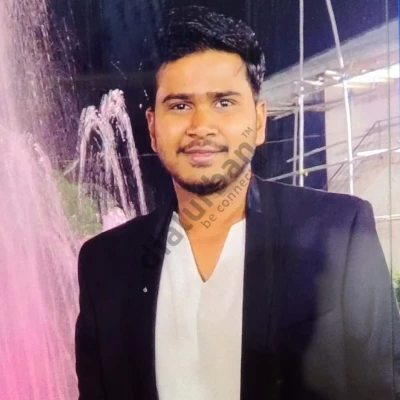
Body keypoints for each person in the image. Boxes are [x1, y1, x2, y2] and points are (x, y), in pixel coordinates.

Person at [75, 6, 400, 400]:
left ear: (259, 121)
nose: (201, 127)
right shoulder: (106, 264)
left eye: (224, 102)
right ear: (153, 128)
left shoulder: (337, 233)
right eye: (179, 105)